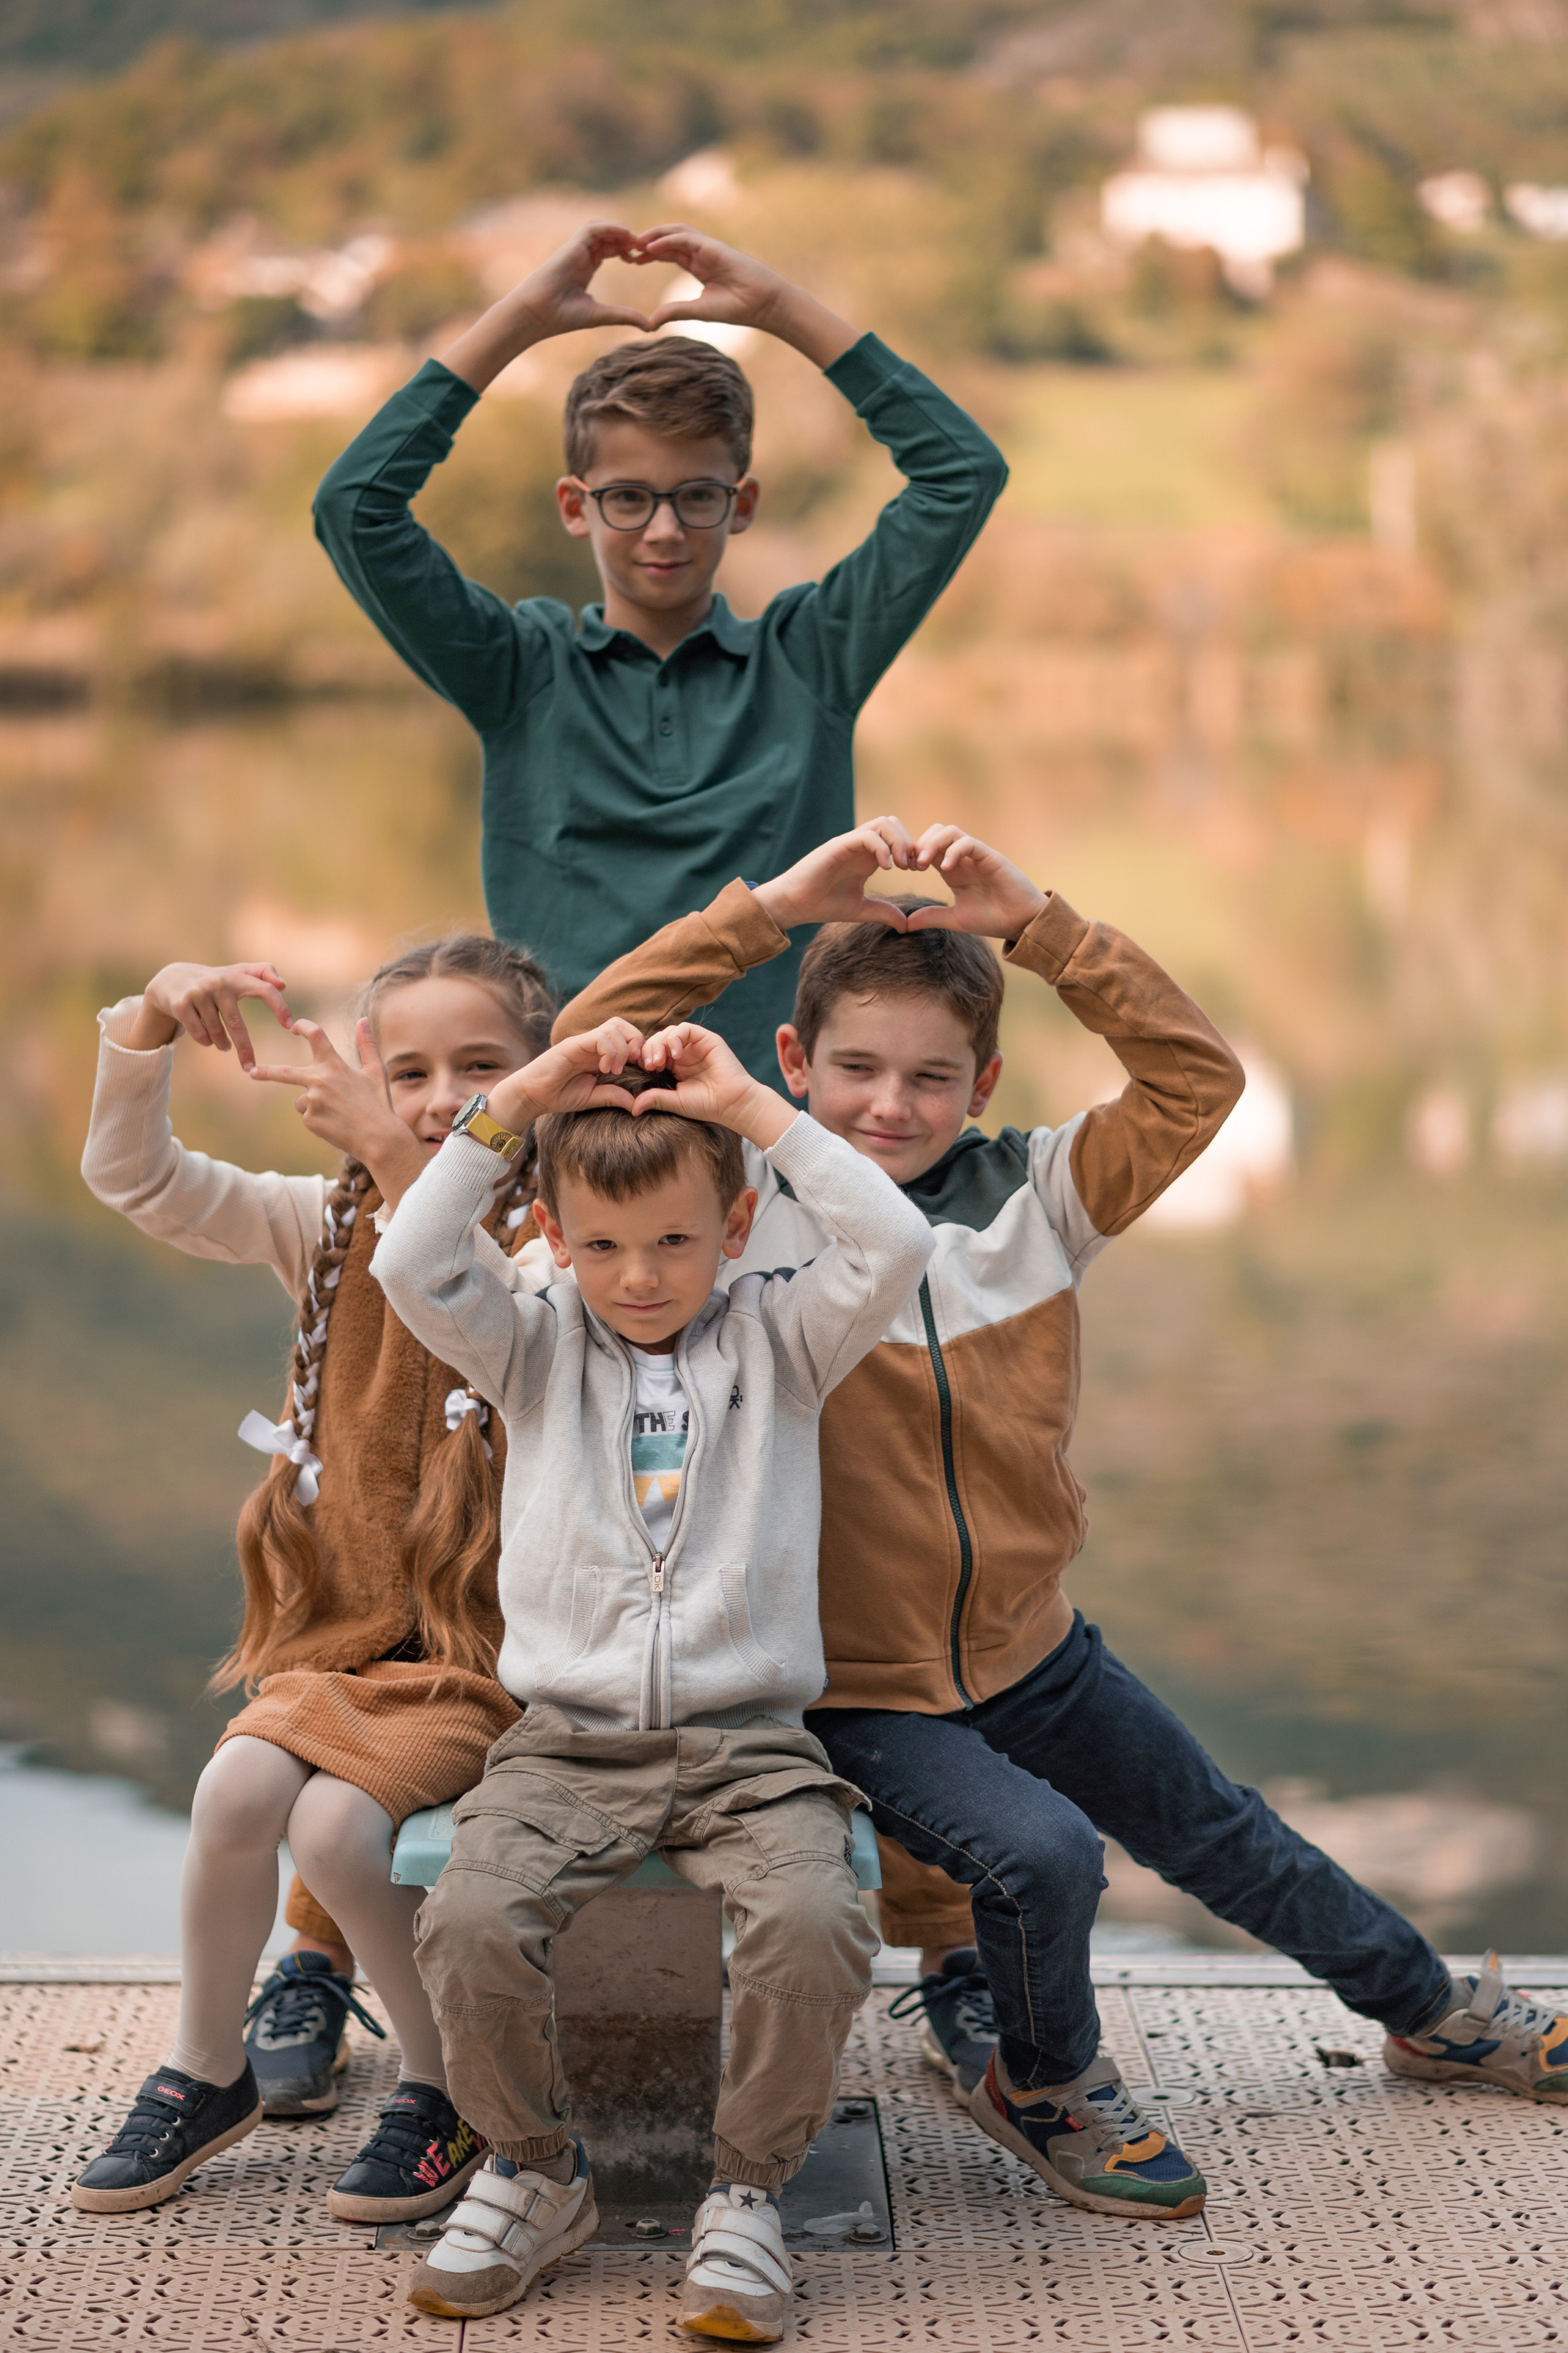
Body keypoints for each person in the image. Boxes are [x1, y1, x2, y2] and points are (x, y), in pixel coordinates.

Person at [556, 817, 1568, 2227]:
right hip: (845, 1682)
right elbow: (580, 1047)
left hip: (1029, 1645)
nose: (887, 1106)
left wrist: (1036, 924)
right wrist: (776, 907)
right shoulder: (731, 1218)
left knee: (1219, 1829)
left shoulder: (1040, 1194)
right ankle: (1044, 2077)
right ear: (791, 1067)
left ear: (983, 1083)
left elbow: (1194, 1075)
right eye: (852, 1069)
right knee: (1039, 1854)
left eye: (927, 1078)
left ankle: (1427, 2010)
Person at [369, 1012, 933, 2335]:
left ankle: (746, 2192)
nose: (640, 1275)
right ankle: (534, 2166)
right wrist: (520, 1098)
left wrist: (750, 1111)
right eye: (605, 1246)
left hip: (751, 1745)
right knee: (464, 1922)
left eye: (676, 1240)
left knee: (812, 1923)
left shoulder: (782, 1341)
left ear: (733, 1233)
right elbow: (409, 1256)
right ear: (555, 1241)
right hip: (566, 1740)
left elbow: (893, 1242)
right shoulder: (527, 1345)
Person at [71, 935, 562, 2223]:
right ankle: (205, 2064)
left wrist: (413, 1166)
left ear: (540, 1080)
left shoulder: (567, 1251)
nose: (437, 1095)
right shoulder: (323, 1225)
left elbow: (490, 1307)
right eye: (405, 1070)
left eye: (479, 1067)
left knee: (341, 1828)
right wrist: (145, 1025)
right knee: (237, 1784)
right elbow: (138, 1177)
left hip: (482, 1658)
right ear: (353, 1076)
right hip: (341, 1645)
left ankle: (448, 2087)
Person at [312, 218, 1008, 1083]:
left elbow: (961, 474)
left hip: (770, 1142)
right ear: (575, 505)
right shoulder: (519, 671)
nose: (666, 529)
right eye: (629, 498)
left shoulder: (811, 660)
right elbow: (355, 511)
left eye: (699, 496)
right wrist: (520, 319)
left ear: (743, 500)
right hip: (569, 1132)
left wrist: (780, 309)